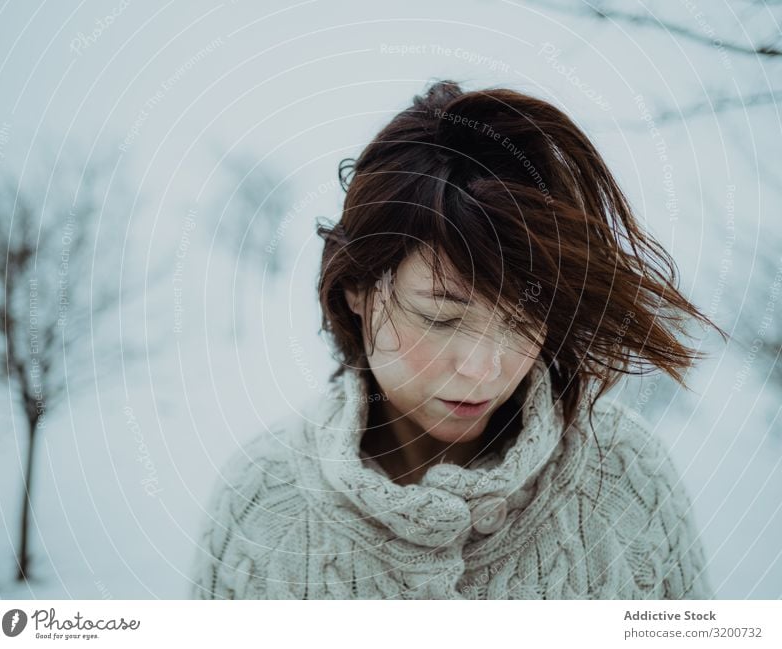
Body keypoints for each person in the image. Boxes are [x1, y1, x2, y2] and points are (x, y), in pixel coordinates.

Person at [189, 79, 727, 599]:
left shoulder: (626, 479)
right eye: (441, 318)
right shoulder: (262, 502)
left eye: (522, 320)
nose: (483, 369)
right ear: (357, 287)